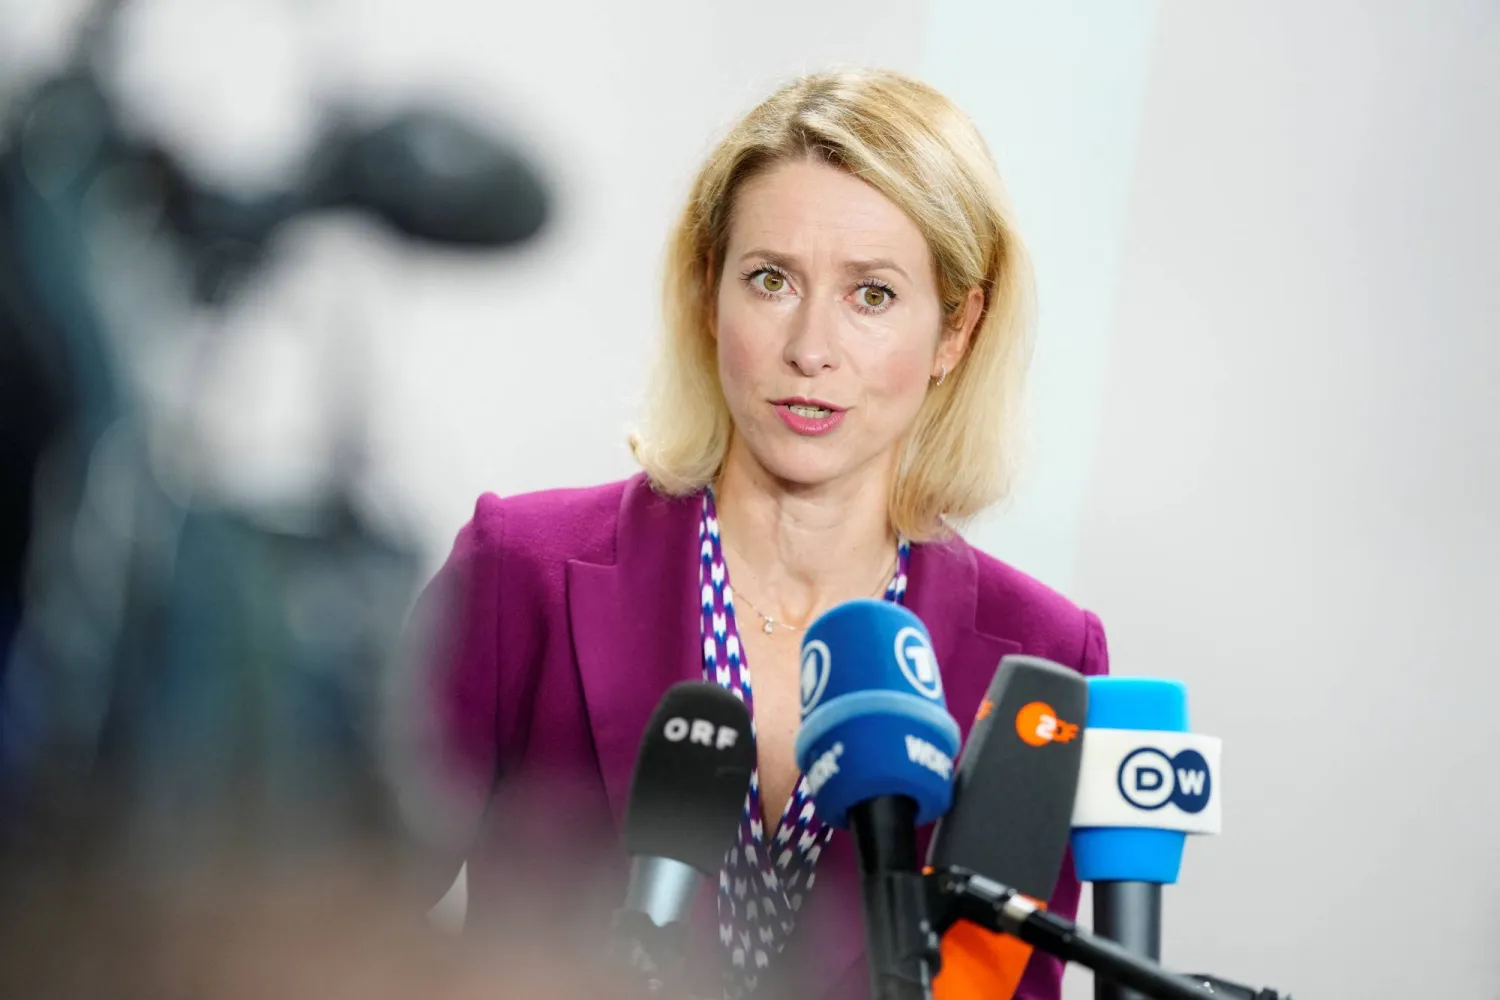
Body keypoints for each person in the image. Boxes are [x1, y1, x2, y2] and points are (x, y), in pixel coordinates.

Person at [392, 68, 1109, 1000]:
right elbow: (325, 921)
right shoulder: (519, 571)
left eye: (874, 295)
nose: (811, 347)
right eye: (772, 280)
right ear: (707, 290)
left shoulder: (1048, 659)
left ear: (956, 331)